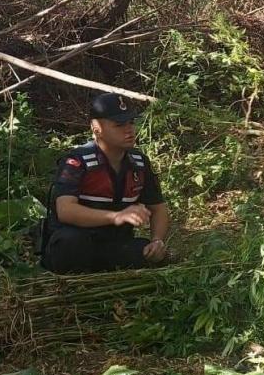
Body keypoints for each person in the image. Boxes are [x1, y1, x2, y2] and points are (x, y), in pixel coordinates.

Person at [39, 92, 169, 274]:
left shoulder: (139, 163)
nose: (129, 129)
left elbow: (158, 207)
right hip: (77, 245)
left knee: (148, 253)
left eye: (131, 122)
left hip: (114, 245)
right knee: (71, 241)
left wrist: (157, 240)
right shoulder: (77, 162)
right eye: (119, 125)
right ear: (96, 128)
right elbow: (65, 211)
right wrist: (115, 217)